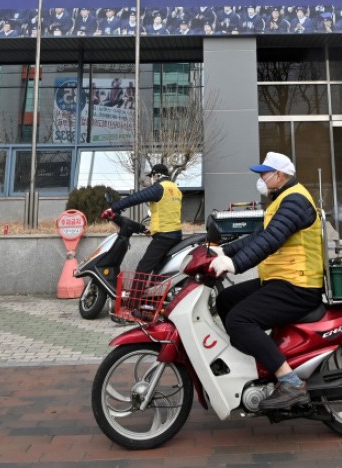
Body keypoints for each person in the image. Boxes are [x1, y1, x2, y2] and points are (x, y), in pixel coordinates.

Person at [207, 151, 325, 410]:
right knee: (226, 298)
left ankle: (290, 381)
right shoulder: (283, 199)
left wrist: (235, 264)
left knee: (240, 319)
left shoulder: (295, 201)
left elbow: (270, 241)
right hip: (281, 280)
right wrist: (224, 251)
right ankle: (253, 361)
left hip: (298, 286)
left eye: (264, 174)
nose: (261, 179)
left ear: (280, 175)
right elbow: (258, 236)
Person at [102, 163, 183, 275]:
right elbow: (168, 213)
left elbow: (135, 198)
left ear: (156, 175)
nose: (151, 179)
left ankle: (136, 293)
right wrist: (151, 229)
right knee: (159, 269)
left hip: (163, 237)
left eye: (151, 176)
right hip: (175, 235)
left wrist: (113, 208)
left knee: (142, 270)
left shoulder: (160, 188)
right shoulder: (176, 189)